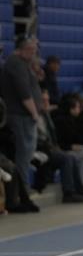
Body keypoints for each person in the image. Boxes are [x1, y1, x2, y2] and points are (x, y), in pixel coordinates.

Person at [0, 36, 43, 208]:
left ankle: (23, 188)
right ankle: (23, 189)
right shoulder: (15, 64)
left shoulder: (23, 64)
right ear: (24, 49)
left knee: (27, 153)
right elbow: (24, 93)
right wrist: (34, 113)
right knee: (24, 154)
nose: (34, 54)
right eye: (32, 50)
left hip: (24, 116)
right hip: (21, 115)